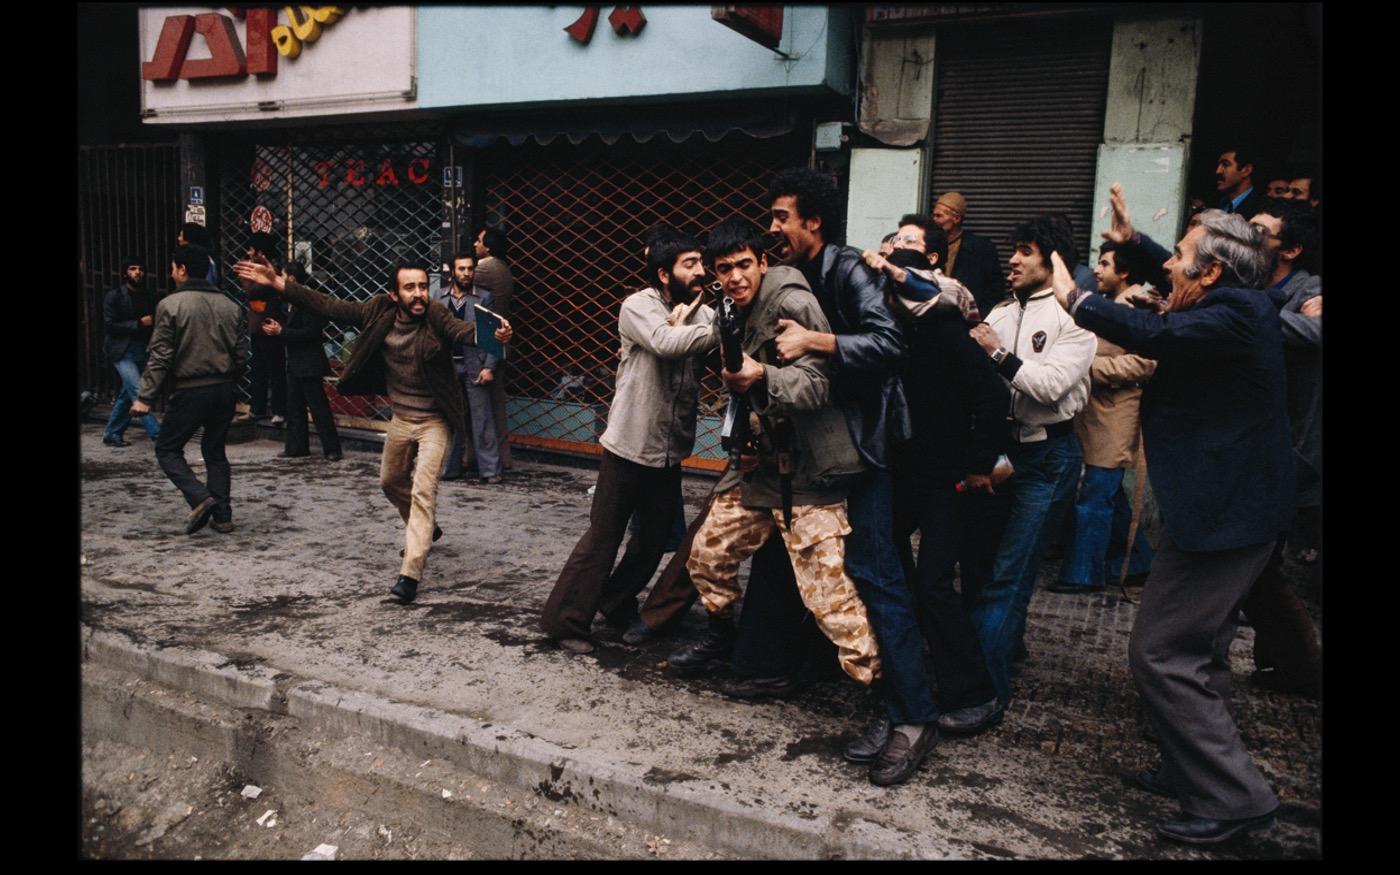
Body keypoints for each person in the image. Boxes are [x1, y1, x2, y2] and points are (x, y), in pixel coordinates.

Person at [1053, 206, 1289, 845]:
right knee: (1202, 652)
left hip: (1224, 516)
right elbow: (1193, 270)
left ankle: (1236, 799)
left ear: (1211, 271)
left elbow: (1154, 336)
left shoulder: (1232, 314)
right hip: (1224, 509)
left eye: (1178, 254)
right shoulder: (1236, 298)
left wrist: (1077, 296)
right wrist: (1136, 241)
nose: (1167, 263)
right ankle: (1198, 770)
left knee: (1160, 652)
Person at [666, 218, 888, 772]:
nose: (736, 276)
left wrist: (761, 376)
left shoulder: (792, 302)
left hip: (810, 477)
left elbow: (817, 386)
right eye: (725, 269)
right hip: (762, 471)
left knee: (832, 602)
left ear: (760, 262)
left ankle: (888, 699)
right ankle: (722, 635)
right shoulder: (731, 309)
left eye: (744, 264)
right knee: (707, 555)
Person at [746, 167, 939, 785]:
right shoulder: (795, 276)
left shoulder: (847, 269)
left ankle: (912, 717)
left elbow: (889, 346)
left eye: (782, 217)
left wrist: (817, 341)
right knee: (836, 571)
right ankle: (871, 693)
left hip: (868, 449)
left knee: (878, 574)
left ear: (813, 222)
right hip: (820, 451)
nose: (773, 227)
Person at [233, 255, 513, 605]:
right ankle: (425, 529)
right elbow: (330, 306)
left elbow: (463, 331)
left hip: (433, 421)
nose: (418, 294)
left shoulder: (436, 314)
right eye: (409, 288)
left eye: (423, 287)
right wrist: (278, 284)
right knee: (390, 482)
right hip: (400, 418)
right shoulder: (379, 311)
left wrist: (492, 335)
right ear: (394, 294)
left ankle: (409, 576)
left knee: (424, 493)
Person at [539, 231, 716, 653]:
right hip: (628, 446)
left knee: (654, 539)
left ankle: (615, 601)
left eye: (700, 263)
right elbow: (666, 343)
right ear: (663, 272)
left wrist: (710, 323)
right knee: (604, 536)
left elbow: (706, 341)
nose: (700, 271)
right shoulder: (638, 307)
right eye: (689, 264)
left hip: (669, 449)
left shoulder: (702, 312)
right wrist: (722, 327)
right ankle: (564, 622)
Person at [876, 237, 1011, 738]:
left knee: (935, 583)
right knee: (888, 566)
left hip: (946, 478)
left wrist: (978, 466)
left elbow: (995, 398)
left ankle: (974, 693)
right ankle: (913, 662)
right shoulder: (896, 332)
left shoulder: (947, 333)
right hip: (906, 473)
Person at [966, 215, 1096, 710]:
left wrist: (996, 354)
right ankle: (1004, 651)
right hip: (1001, 453)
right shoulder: (999, 312)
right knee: (985, 567)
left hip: (1049, 456)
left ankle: (984, 694)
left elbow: (1046, 387)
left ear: (1053, 259)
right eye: (1013, 250)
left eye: (1024, 250)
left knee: (1010, 575)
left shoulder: (1076, 319)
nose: (1012, 260)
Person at [1048, 240, 1156, 594]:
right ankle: (1139, 561)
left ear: (1124, 272)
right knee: (1108, 493)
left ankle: (1083, 573)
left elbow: (1148, 361)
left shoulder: (1141, 306)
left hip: (1117, 414)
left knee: (1096, 494)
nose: (1097, 269)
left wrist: (1089, 369)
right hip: (1095, 414)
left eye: (1105, 264)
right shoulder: (1108, 303)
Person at [130, 244, 245, 535]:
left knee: (167, 448)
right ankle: (222, 514)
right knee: (215, 451)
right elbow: (241, 354)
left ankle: (199, 496)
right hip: (224, 388)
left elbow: (160, 355)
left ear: (181, 270)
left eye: (172, 268)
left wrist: (145, 396)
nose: (171, 273)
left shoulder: (170, 305)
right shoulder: (230, 305)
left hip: (191, 388)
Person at [265, 261, 342, 461]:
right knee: (295, 407)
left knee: (318, 408)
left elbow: (310, 332)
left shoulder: (307, 300)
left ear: (291, 278)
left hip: (309, 362)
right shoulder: (290, 301)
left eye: (282, 275)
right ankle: (296, 447)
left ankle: (332, 448)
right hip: (297, 362)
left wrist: (282, 331)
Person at [437, 251, 503, 483]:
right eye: (461, 269)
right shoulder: (440, 297)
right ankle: (448, 469)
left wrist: (489, 367)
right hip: (447, 367)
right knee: (448, 418)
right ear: (452, 271)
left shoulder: (483, 297)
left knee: (481, 418)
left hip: (475, 365)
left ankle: (490, 470)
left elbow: (493, 335)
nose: (466, 273)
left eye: (469, 269)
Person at [101, 255, 162, 447]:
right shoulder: (115, 296)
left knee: (127, 393)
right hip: (121, 350)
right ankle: (158, 436)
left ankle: (112, 433)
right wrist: (137, 324)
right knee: (138, 390)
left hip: (142, 349)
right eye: (132, 269)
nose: (137, 272)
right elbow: (109, 324)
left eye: (140, 269)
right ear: (125, 272)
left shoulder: (149, 295)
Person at [473, 226, 515, 470]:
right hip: (499, 339)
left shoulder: (486, 267)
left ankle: (482, 458)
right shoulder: (503, 268)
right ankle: (503, 457)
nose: (475, 245)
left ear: (487, 247)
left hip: (487, 340)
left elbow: (458, 282)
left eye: (478, 241)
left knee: (482, 404)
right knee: (497, 404)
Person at [931, 191, 1006, 317]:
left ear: (956, 218)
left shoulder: (981, 248)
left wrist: (980, 319)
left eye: (939, 216)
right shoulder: (929, 245)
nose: (934, 220)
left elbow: (995, 290)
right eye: (933, 216)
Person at [242, 232, 288, 424]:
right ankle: (257, 408)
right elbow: (251, 292)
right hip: (257, 326)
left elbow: (264, 290)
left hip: (271, 325)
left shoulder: (274, 268)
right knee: (258, 371)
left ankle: (279, 410)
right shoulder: (254, 269)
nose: (248, 252)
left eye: (251, 249)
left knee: (275, 371)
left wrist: (269, 280)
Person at [1214, 145, 1267, 218]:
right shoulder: (1219, 203)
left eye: (1225, 164)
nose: (1218, 171)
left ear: (1246, 170)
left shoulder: (1262, 208)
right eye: (1219, 165)